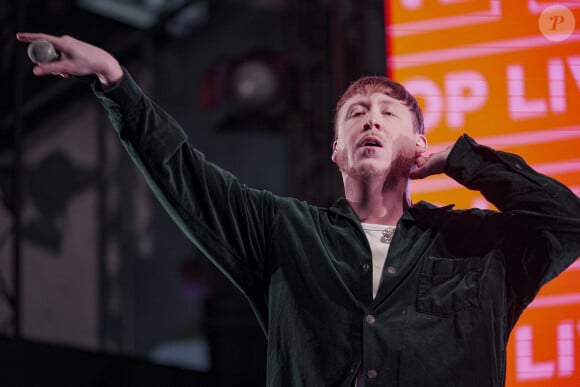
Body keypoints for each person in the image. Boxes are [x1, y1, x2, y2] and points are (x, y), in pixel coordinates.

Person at [16, 32, 580, 387]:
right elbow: (182, 175)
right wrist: (115, 81)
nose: (372, 119)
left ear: (418, 142)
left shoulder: (477, 247)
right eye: (356, 113)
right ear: (336, 150)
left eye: (388, 112)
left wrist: (461, 160)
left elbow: (568, 223)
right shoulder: (283, 231)